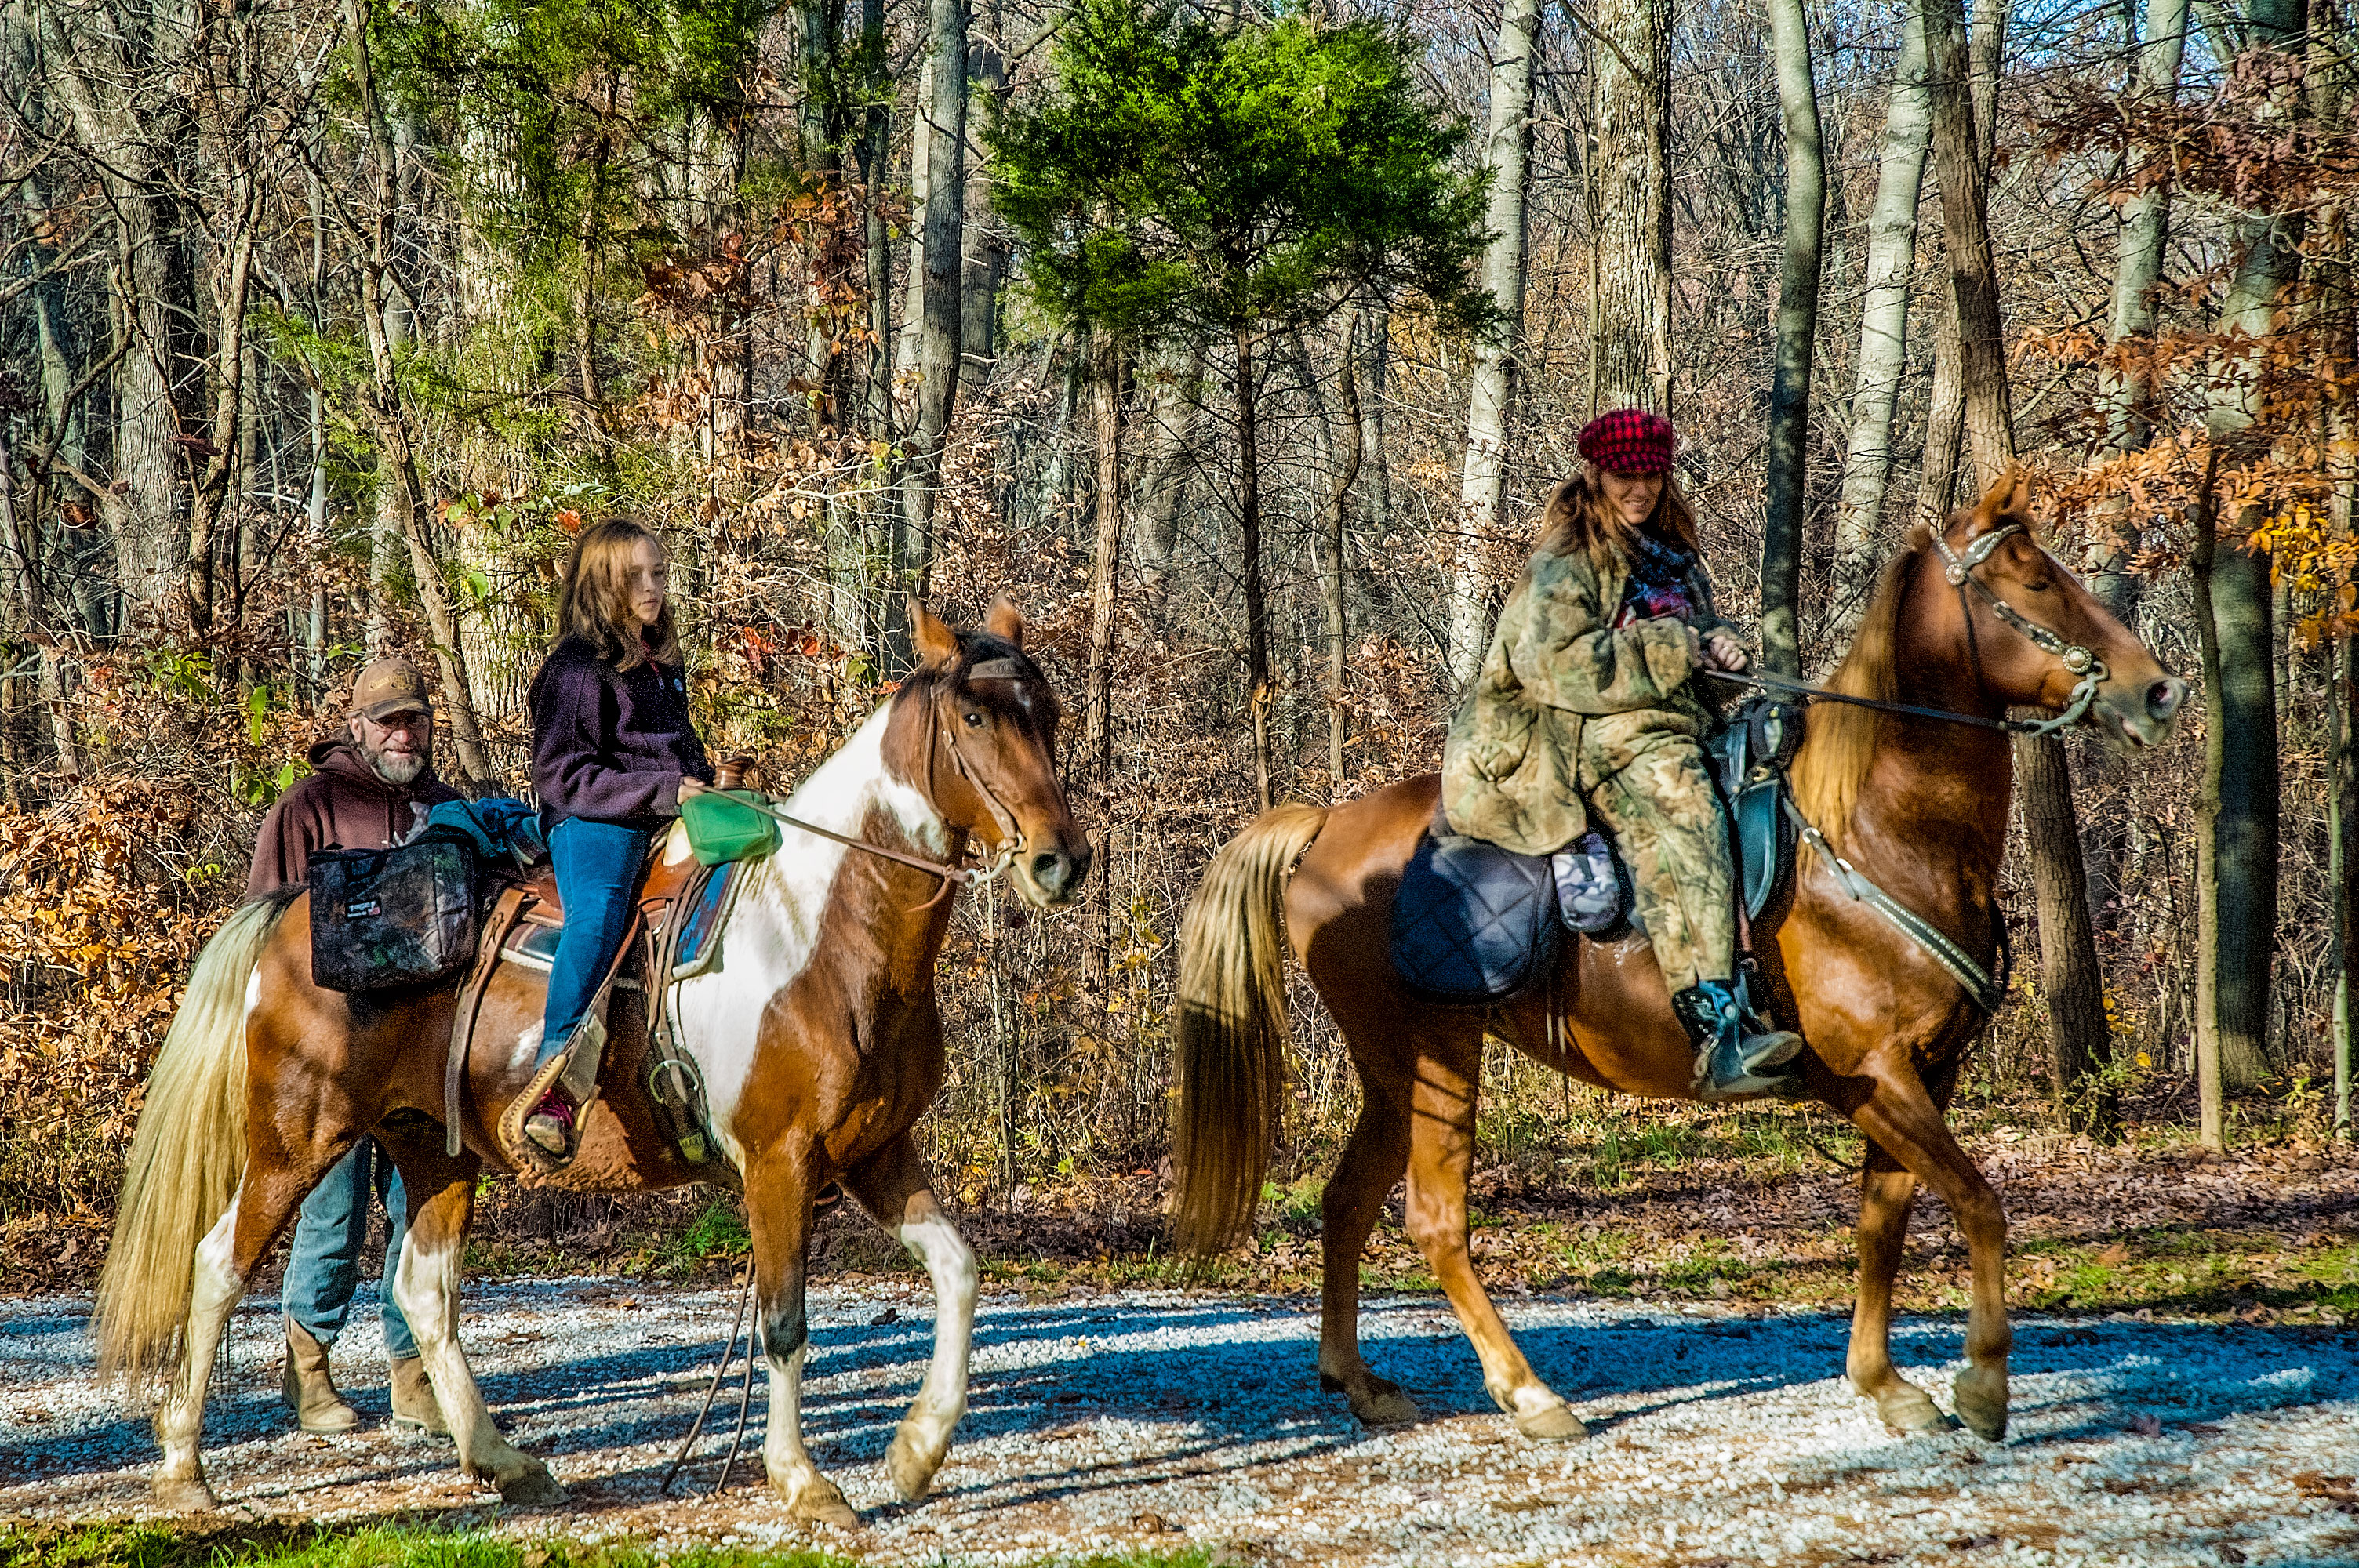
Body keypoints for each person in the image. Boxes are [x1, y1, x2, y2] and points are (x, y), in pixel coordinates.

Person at [1441, 408, 1804, 1098]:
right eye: (1623, 476)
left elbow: (1694, 637)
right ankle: (1717, 1030)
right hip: (1583, 734)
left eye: (1651, 475)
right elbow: (1554, 665)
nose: (1639, 489)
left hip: (1677, 721)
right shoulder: (1566, 562)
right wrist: (1676, 649)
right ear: (1596, 474)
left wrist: (1722, 648)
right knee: (1685, 814)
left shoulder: (1671, 553)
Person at [246, 657, 455, 1434]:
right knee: (330, 1214)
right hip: (330, 1056)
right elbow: (266, 932)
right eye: (389, 720)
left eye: (415, 719)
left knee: (422, 1211)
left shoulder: (446, 807)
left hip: (427, 1060)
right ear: (358, 726)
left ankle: (414, 1377)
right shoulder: (310, 807)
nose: (405, 733)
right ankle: (307, 1372)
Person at [511, 520, 714, 1166]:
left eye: (658, 573)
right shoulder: (576, 671)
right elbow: (562, 776)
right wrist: (667, 791)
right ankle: (554, 1081)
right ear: (604, 584)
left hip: (663, 811)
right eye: (638, 577)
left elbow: (676, 756)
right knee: (598, 915)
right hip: (595, 821)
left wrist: (710, 782)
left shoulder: (660, 664)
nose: (655, 587)